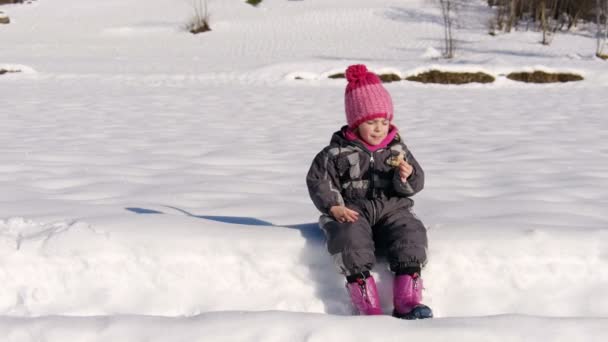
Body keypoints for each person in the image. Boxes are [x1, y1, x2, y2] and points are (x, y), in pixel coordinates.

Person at [306, 64, 432, 319]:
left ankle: (408, 299)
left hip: (392, 208)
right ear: (356, 123)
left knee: (411, 233)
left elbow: (416, 183)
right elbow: (319, 179)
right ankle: (366, 303)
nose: (379, 128)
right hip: (353, 209)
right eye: (371, 122)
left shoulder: (398, 150)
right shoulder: (336, 152)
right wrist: (334, 206)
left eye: (384, 121)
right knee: (350, 238)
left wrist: (406, 177)